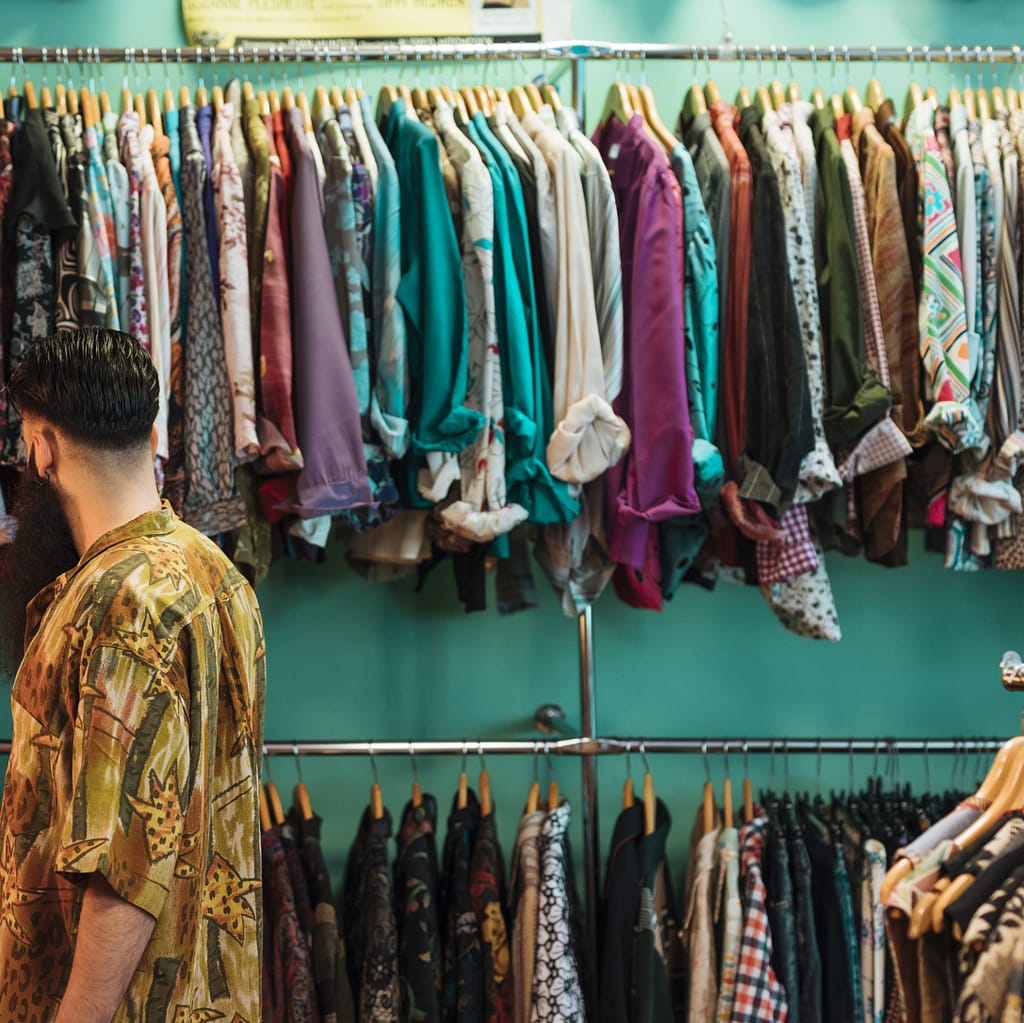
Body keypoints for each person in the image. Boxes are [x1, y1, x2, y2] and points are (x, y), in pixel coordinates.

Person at [0, 328, 266, 1023]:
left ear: (43, 450)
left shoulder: (119, 602)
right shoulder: (218, 572)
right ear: (151, 435)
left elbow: (121, 869)